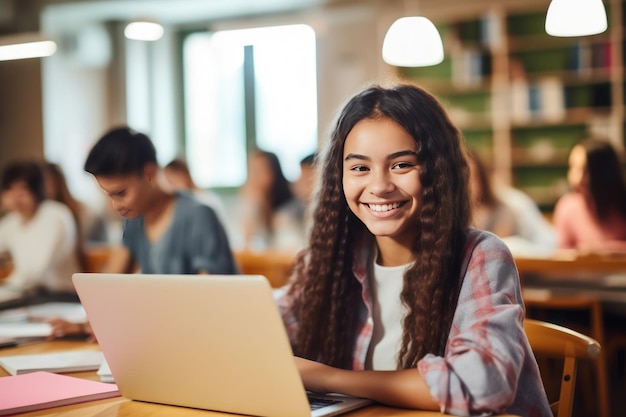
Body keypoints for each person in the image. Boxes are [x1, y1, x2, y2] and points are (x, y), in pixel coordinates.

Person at [274, 84, 551, 416]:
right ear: (339, 178)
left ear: (436, 171)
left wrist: (329, 379)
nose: (379, 187)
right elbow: (267, 321)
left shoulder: (481, 256)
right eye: (360, 168)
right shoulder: (336, 262)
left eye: (401, 165)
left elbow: (483, 386)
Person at [83, 126, 238, 275]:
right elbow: (111, 279)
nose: (115, 205)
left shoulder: (199, 216)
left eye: (121, 193)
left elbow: (213, 292)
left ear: (149, 173)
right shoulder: (134, 220)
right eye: (109, 196)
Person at [0, 161, 82, 306]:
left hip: (61, 295)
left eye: (23, 190)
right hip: (30, 295)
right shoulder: (11, 222)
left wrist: (8, 286)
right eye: (9, 190)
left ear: (37, 190)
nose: (15, 197)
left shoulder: (55, 215)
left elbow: (36, 271)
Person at [553, 138, 626, 254]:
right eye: (573, 168)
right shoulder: (567, 207)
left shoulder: (621, 204)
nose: (578, 179)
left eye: (586, 170)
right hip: (581, 272)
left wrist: (603, 251)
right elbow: (563, 257)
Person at [236, 149, 301, 251]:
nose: (254, 177)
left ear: (274, 172)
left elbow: (285, 246)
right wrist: (251, 204)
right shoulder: (257, 202)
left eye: (259, 170)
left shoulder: (291, 205)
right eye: (252, 171)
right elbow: (247, 241)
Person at [42, 162, 109, 245]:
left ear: (58, 181)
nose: (44, 187)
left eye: (47, 181)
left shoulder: (85, 212)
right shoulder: (41, 213)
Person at [162, 158, 228, 230]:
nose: (172, 188)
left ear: (184, 175)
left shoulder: (206, 200)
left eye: (172, 181)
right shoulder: (179, 204)